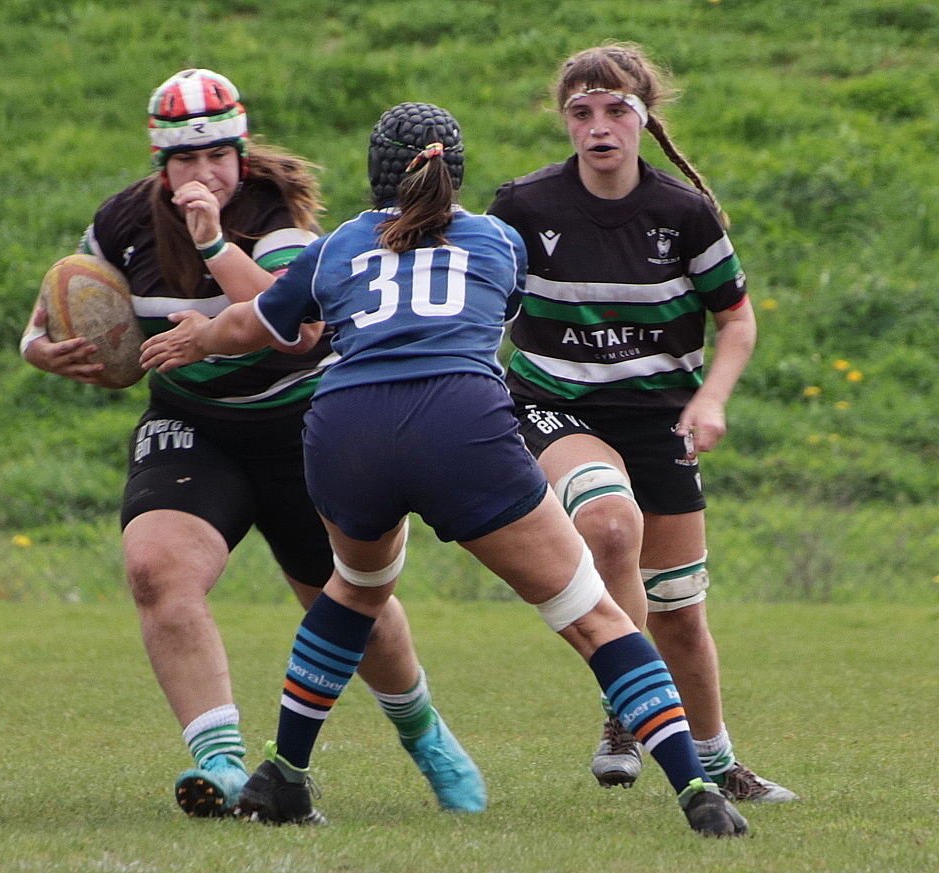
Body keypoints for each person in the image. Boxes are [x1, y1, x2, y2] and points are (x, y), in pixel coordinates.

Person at [140, 100, 749, 837]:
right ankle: (697, 789)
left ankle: (284, 775)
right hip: (461, 425)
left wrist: (200, 339)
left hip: (345, 428)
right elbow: (496, 316)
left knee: (354, 592)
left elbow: (261, 323)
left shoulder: (335, 247)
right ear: (453, 176)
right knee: (592, 616)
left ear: (374, 174)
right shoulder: (497, 239)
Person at [20, 70, 486, 818]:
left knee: (350, 603)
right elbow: (65, 296)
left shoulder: (280, 218)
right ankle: (224, 764)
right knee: (155, 568)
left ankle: (424, 732)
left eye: (217, 156)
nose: (202, 173)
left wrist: (209, 238)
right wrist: (37, 347)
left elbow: (288, 323)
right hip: (194, 427)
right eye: (183, 160)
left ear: (240, 152)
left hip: (304, 426)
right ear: (159, 163)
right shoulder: (124, 222)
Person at [487, 42, 798, 803]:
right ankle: (623, 710)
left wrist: (711, 396)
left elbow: (738, 320)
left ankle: (718, 760)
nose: (599, 126)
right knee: (610, 523)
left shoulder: (682, 213)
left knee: (682, 617)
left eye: (616, 109)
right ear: (566, 121)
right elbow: (478, 304)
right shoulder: (524, 208)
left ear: (643, 116)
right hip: (553, 406)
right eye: (582, 111)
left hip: (659, 415)